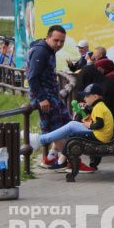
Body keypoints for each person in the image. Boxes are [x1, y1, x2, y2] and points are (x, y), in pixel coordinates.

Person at [33, 83, 114, 174]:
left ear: (95, 97)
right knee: (72, 126)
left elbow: (100, 124)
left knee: (72, 130)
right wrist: (85, 113)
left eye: (87, 96)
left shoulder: (99, 107)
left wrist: (89, 125)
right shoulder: (99, 106)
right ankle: (57, 158)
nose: (84, 98)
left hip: (99, 136)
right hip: (100, 134)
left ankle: (43, 142)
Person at [27, 25, 72, 169]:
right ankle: (72, 162)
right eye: (56, 40)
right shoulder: (41, 51)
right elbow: (32, 77)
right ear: (47, 37)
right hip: (45, 97)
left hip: (52, 95)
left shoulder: (49, 50)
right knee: (57, 129)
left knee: (66, 124)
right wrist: (41, 98)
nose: (59, 44)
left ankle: (52, 157)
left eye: (62, 41)